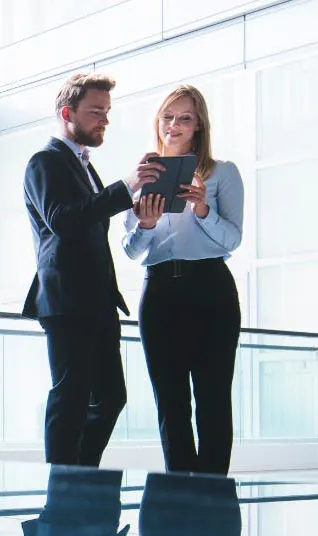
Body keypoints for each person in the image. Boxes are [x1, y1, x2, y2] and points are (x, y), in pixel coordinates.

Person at [22, 72, 165, 467]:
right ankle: (63, 487)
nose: (105, 120)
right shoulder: (44, 162)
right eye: (96, 112)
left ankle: (81, 476)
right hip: (67, 300)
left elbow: (89, 219)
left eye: (107, 111)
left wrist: (133, 198)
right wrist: (125, 187)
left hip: (97, 300)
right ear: (68, 113)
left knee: (111, 396)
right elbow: (62, 220)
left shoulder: (83, 165)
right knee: (70, 396)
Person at [123, 84, 244, 475]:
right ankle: (179, 495)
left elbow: (233, 238)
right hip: (159, 293)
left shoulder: (222, 173)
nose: (174, 125)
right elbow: (130, 249)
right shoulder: (143, 175)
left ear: (198, 126)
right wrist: (145, 225)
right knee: (170, 402)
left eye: (185, 118)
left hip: (210, 289)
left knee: (212, 398)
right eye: (168, 116)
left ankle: (212, 493)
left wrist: (203, 208)